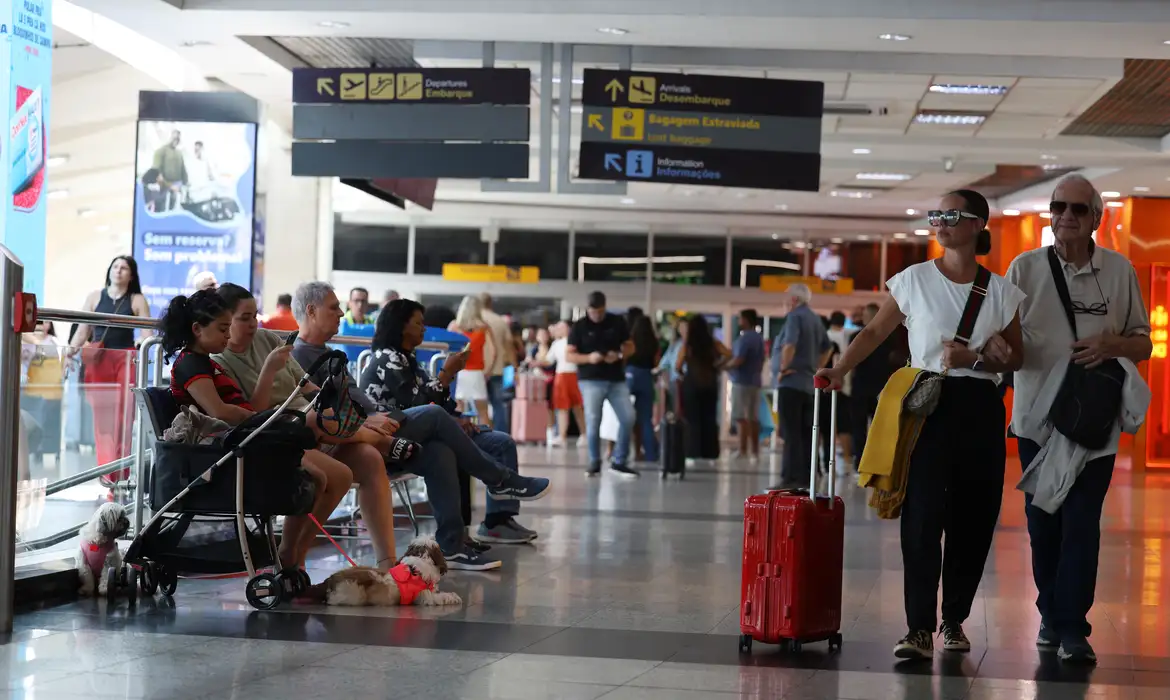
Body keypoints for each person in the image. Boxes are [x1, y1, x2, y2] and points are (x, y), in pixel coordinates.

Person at [817, 189, 1025, 660]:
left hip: (980, 405)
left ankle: (954, 619)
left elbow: (1016, 356)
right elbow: (875, 331)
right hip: (926, 403)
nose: (941, 222)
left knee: (975, 516)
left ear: (978, 224)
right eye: (937, 215)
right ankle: (918, 628)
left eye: (952, 215)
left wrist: (979, 357)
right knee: (922, 514)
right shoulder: (914, 279)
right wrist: (841, 368)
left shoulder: (1002, 292)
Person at [1001, 174, 1152, 664]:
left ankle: (1071, 627)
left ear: (1096, 219)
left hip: (1095, 426)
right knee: (1043, 524)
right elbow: (1003, 339)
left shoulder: (1119, 270)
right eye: (1058, 207)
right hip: (1038, 420)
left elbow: (1144, 343)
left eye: (1078, 209)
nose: (1066, 216)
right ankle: (1050, 611)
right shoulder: (1024, 269)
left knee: (1082, 524)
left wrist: (1111, 345)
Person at [157, 290, 353, 575]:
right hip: (235, 448)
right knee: (320, 476)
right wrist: (261, 418)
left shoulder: (206, 363)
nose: (228, 336)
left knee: (333, 475)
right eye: (222, 329)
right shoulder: (191, 364)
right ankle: (289, 556)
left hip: (249, 439)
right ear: (197, 329)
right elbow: (219, 411)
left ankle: (292, 555)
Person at [211, 284, 403, 568]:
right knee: (318, 425)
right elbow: (251, 416)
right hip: (277, 435)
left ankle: (387, 562)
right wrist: (269, 371)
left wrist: (332, 403)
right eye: (244, 318)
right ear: (224, 322)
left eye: (254, 316)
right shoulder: (219, 361)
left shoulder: (267, 339)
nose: (253, 324)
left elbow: (308, 386)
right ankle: (293, 557)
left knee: (368, 458)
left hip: (311, 427)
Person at [361, 299, 552, 559]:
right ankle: (500, 479)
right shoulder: (387, 358)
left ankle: (468, 534)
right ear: (400, 326)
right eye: (418, 323)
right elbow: (418, 403)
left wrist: (455, 416)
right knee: (438, 422)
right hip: (390, 436)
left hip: (424, 432)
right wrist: (446, 374)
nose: (424, 328)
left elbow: (436, 401)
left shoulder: (409, 359)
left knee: (494, 443)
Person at [68, 256, 151, 485]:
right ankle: (107, 475)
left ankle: (120, 475)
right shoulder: (95, 297)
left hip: (125, 361)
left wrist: (142, 345)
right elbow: (82, 331)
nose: (118, 270)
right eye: (115, 266)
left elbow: (147, 334)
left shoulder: (136, 299)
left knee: (124, 419)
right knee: (103, 421)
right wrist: (69, 353)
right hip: (99, 362)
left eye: (124, 268)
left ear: (131, 275)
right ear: (109, 270)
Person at [567, 291, 637, 477]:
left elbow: (630, 346)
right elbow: (569, 355)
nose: (596, 315)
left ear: (604, 308)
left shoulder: (617, 322)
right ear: (587, 309)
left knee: (628, 417)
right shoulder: (580, 326)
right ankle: (594, 461)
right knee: (593, 420)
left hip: (616, 379)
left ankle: (619, 460)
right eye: (593, 311)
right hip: (590, 380)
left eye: (599, 311)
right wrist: (589, 358)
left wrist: (619, 355)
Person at [769, 284, 832, 489]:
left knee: (791, 432)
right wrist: (816, 368)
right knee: (806, 433)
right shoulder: (814, 318)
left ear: (794, 299)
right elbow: (828, 348)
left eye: (787, 297)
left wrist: (783, 368)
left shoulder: (795, 317)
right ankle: (806, 476)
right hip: (807, 385)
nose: (786, 301)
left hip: (791, 383)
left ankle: (790, 477)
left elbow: (790, 344)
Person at [849, 303, 903, 465]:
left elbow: (852, 364)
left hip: (860, 387)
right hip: (882, 388)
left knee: (858, 427)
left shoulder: (857, 337)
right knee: (880, 427)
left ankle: (860, 461)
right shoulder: (891, 338)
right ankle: (878, 461)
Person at [676, 314, 730, 461]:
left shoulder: (687, 346)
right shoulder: (712, 343)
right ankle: (710, 452)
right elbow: (729, 354)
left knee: (693, 419)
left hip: (692, 384)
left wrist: (683, 374)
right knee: (709, 418)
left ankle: (693, 451)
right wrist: (718, 366)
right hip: (710, 383)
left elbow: (677, 366)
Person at [725, 309, 766, 461]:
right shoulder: (758, 338)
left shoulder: (745, 339)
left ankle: (742, 450)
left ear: (746, 320)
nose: (738, 321)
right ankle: (755, 451)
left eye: (740, 318)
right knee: (753, 417)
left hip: (741, 382)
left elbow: (738, 359)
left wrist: (725, 366)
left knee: (740, 417)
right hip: (755, 382)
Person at [449, 296, 495, 427]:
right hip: (476, 373)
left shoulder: (454, 327)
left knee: (458, 409)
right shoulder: (484, 328)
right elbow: (493, 351)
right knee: (482, 411)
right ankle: (488, 437)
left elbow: (446, 350)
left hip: (458, 372)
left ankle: (459, 436)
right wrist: (488, 371)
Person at [822, 311, 854, 473]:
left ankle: (825, 459)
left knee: (825, 425)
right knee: (844, 424)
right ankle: (848, 459)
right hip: (844, 386)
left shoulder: (825, 337)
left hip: (825, 385)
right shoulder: (848, 337)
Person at [625, 316, 661, 462]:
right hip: (646, 376)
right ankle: (651, 453)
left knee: (624, 416)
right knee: (646, 418)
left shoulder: (630, 340)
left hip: (630, 374)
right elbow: (656, 363)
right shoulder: (654, 342)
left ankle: (621, 452)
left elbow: (624, 357)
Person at [479, 293, 515, 434]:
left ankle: (481, 434)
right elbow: (509, 347)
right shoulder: (500, 321)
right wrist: (514, 368)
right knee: (499, 404)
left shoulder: (475, 320)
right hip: (498, 369)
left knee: (478, 405)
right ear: (490, 303)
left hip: (478, 370)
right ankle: (500, 435)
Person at [547, 321, 585, 447]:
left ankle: (584, 434)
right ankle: (562, 436)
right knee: (561, 407)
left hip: (573, 374)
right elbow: (548, 360)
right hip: (560, 375)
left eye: (562, 327)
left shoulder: (575, 341)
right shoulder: (556, 343)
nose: (559, 329)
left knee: (577, 406)